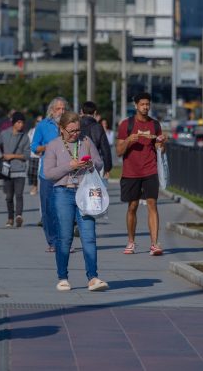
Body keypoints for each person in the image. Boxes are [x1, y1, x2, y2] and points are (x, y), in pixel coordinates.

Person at [43, 110, 108, 292]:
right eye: (71, 131)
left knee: (89, 236)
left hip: (85, 192)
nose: (75, 134)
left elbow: (99, 162)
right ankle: (62, 277)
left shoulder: (86, 141)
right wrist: (69, 166)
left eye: (77, 130)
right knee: (65, 237)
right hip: (63, 192)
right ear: (61, 129)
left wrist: (91, 164)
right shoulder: (53, 145)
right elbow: (48, 173)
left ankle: (93, 277)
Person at [116, 92, 166, 256]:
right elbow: (118, 151)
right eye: (142, 104)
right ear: (136, 105)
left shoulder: (155, 125)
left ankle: (154, 244)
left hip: (150, 170)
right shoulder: (126, 124)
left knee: (152, 204)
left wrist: (161, 144)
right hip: (131, 172)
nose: (145, 107)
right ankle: (131, 241)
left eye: (147, 104)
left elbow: (160, 150)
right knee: (133, 206)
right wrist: (130, 139)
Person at [31, 97, 68, 253]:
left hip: (66, 173)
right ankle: (52, 241)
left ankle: (65, 241)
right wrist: (47, 147)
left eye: (64, 108)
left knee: (64, 209)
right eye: (58, 109)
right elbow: (34, 147)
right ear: (52, 110)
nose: (61, 111)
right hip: (47, 174)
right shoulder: (43, 126)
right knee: (48, 209)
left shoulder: (70, 125)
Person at [0, 111, 30, 228]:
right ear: (13, 123)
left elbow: (27, 155)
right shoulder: (4, 134)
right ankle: (10, 218)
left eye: (22, 122)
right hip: (6, 171)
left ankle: (18, 216)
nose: (21, 125)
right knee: (8, 197)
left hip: (20, 171)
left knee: (19, 195)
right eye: (18, 122)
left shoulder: (25, 137)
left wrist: (12, 156)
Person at [79, 101, 112, 178]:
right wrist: (107, 168)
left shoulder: (76, 125)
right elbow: (105, 149)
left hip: (77, 163)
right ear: (95, 112)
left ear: (82, 111)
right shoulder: (98, 127)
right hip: (94, 163)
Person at [27, 115, 42, 196]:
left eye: (41, 121)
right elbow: (29, 142)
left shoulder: (44, 130)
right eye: (38, 121)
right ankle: (34, 186)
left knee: (39, 173)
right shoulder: (31, 131)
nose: (39, 123)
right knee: (32, 173)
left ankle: (37, 187)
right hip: (33, 155)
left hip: (41, 156)